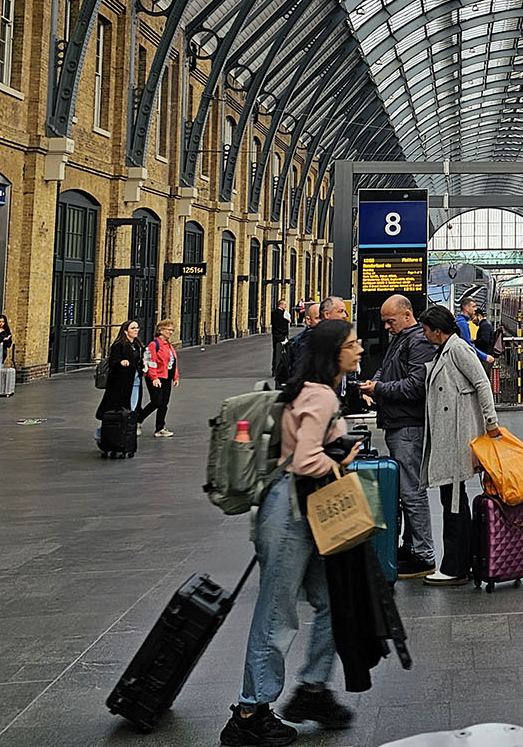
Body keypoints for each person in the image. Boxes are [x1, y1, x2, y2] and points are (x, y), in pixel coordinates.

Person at [222, 319, 361, 747]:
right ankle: (249, 712)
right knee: (277, 611)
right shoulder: (319, 395)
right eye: (352, 344)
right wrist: (342, 460)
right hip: (290, 510)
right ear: (333, 352)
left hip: (302, 507)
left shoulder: (315, 391)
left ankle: (313, 688)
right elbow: (304, 461)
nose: (359, 350)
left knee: (333, 599)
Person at [416, 305, 502, 585]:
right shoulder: (445, 349)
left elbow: (482, 382)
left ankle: (455, 566)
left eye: (427, 330)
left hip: (456, 435)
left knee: (454, 500)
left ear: (438, 331)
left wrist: (491, 423)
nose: (425, 335)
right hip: (448, 435)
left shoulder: (458, 349)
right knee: (452, 498)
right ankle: (456, 562)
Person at [358, 295, 436, 579]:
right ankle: (411, 547)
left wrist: (378, 389)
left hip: (408, 426)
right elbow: (387, 370)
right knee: (405, 492)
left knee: (412, 492)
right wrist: (373, 384)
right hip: (398, 423)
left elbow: (417, 386)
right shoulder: (402, 339)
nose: (387, 326)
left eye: (391, 321)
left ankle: (425, 554)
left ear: (406, 315)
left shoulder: (417, 342)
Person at [95, 320, 143, 439]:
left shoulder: (137, 345)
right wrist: (121, 362)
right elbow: (113, 361)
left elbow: (138, 361)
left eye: (137, 328)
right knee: (116, 409)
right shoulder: (119, 345)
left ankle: (126, 431)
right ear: (126, 331)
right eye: (133, 328)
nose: (136, 330)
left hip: (135, 381)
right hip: (121, 383)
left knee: (131, 407)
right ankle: (104, 432)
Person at [139, 319, 179, 437]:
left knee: (164, 403)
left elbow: (173, 362)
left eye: (172, 330)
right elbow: (150, 362)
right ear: (161, 330)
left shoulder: (169, 345)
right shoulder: (154, 344)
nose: (171, 332)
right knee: (156, 401)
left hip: (167, 377)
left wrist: (175, 377)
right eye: (169, 330)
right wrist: (154, 377)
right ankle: (137, 420)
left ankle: (160, 428)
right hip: (156, 377)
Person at [457, 296, 493, 364]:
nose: (475, 309)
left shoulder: (460, 321)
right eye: (473, 307)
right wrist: (485, 357)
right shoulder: (463, 323)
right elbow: (467, 346)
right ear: (466, 308)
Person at [271, 299, 290, 377]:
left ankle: (274, 369)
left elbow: (273, 323)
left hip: (275, 334)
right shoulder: (284, 313)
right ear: (281, 305)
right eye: (285, 305)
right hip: (282, 335)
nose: (286, 306)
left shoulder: (273, 313)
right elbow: (289, 321)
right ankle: (280, 369)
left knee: (275, 351)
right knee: (283, 352)